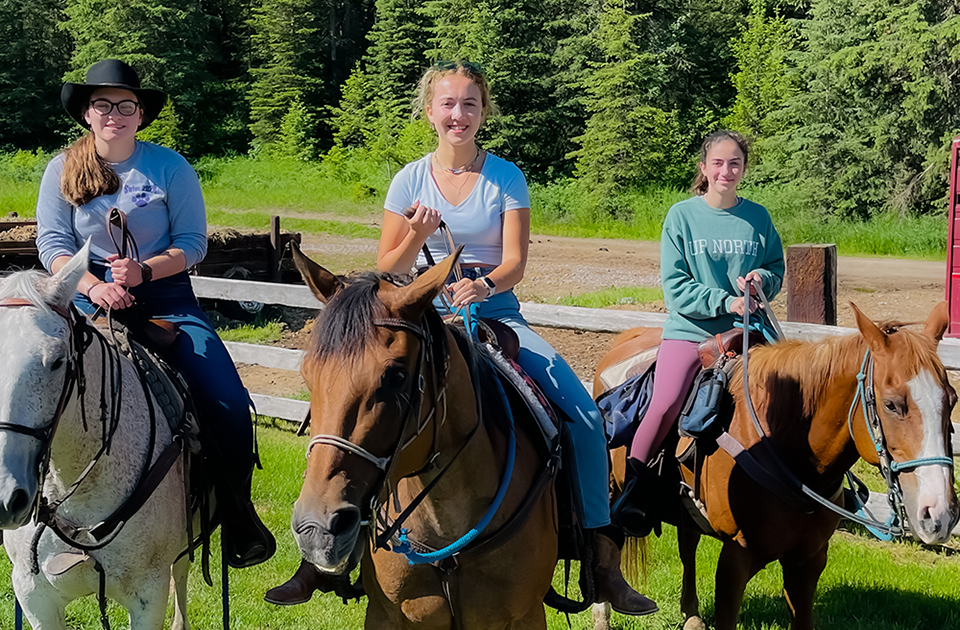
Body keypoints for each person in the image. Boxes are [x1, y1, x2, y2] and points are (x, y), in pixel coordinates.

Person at [265, 60, 657, 616]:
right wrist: (418, 235)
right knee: (359, 415)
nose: (458, 114)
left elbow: (517, 261)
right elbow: (386, 266)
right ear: (430, 112)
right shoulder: (409, 179)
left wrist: (483, 284)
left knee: (584, 418)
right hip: (416, 321)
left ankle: (599, 555)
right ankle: (325, 558)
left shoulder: (505, 177)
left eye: (469, 104)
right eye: (448, 104)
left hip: (497, 318)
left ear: (482, 112)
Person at [35, 58, 275, 569]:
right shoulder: (61, 169)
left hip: (166, 300)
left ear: (141, 114)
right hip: (83, 300)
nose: (114, 114)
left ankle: (236, 515)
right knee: (29, 389)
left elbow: (193, 243)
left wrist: (143, 272)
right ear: (87, 114)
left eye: (126, 105)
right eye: (103, 105)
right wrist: (94, 285)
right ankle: (28, 520)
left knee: (230, 405)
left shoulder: (170, 167)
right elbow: (53, 243)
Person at [612, 130, 785, 537]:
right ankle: (634, 488)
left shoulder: (758, 217)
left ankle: (814, 485)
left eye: (735, 163)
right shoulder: (682, 216)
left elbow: (776, 267)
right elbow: (676, 287)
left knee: (792, 390)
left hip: (748, 334)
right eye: (719, 163)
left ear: (744, 169)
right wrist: (727, 302)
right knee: (667, 401)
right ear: (704, 169)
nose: (727, 171)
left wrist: (761, 278)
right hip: (691, 332)